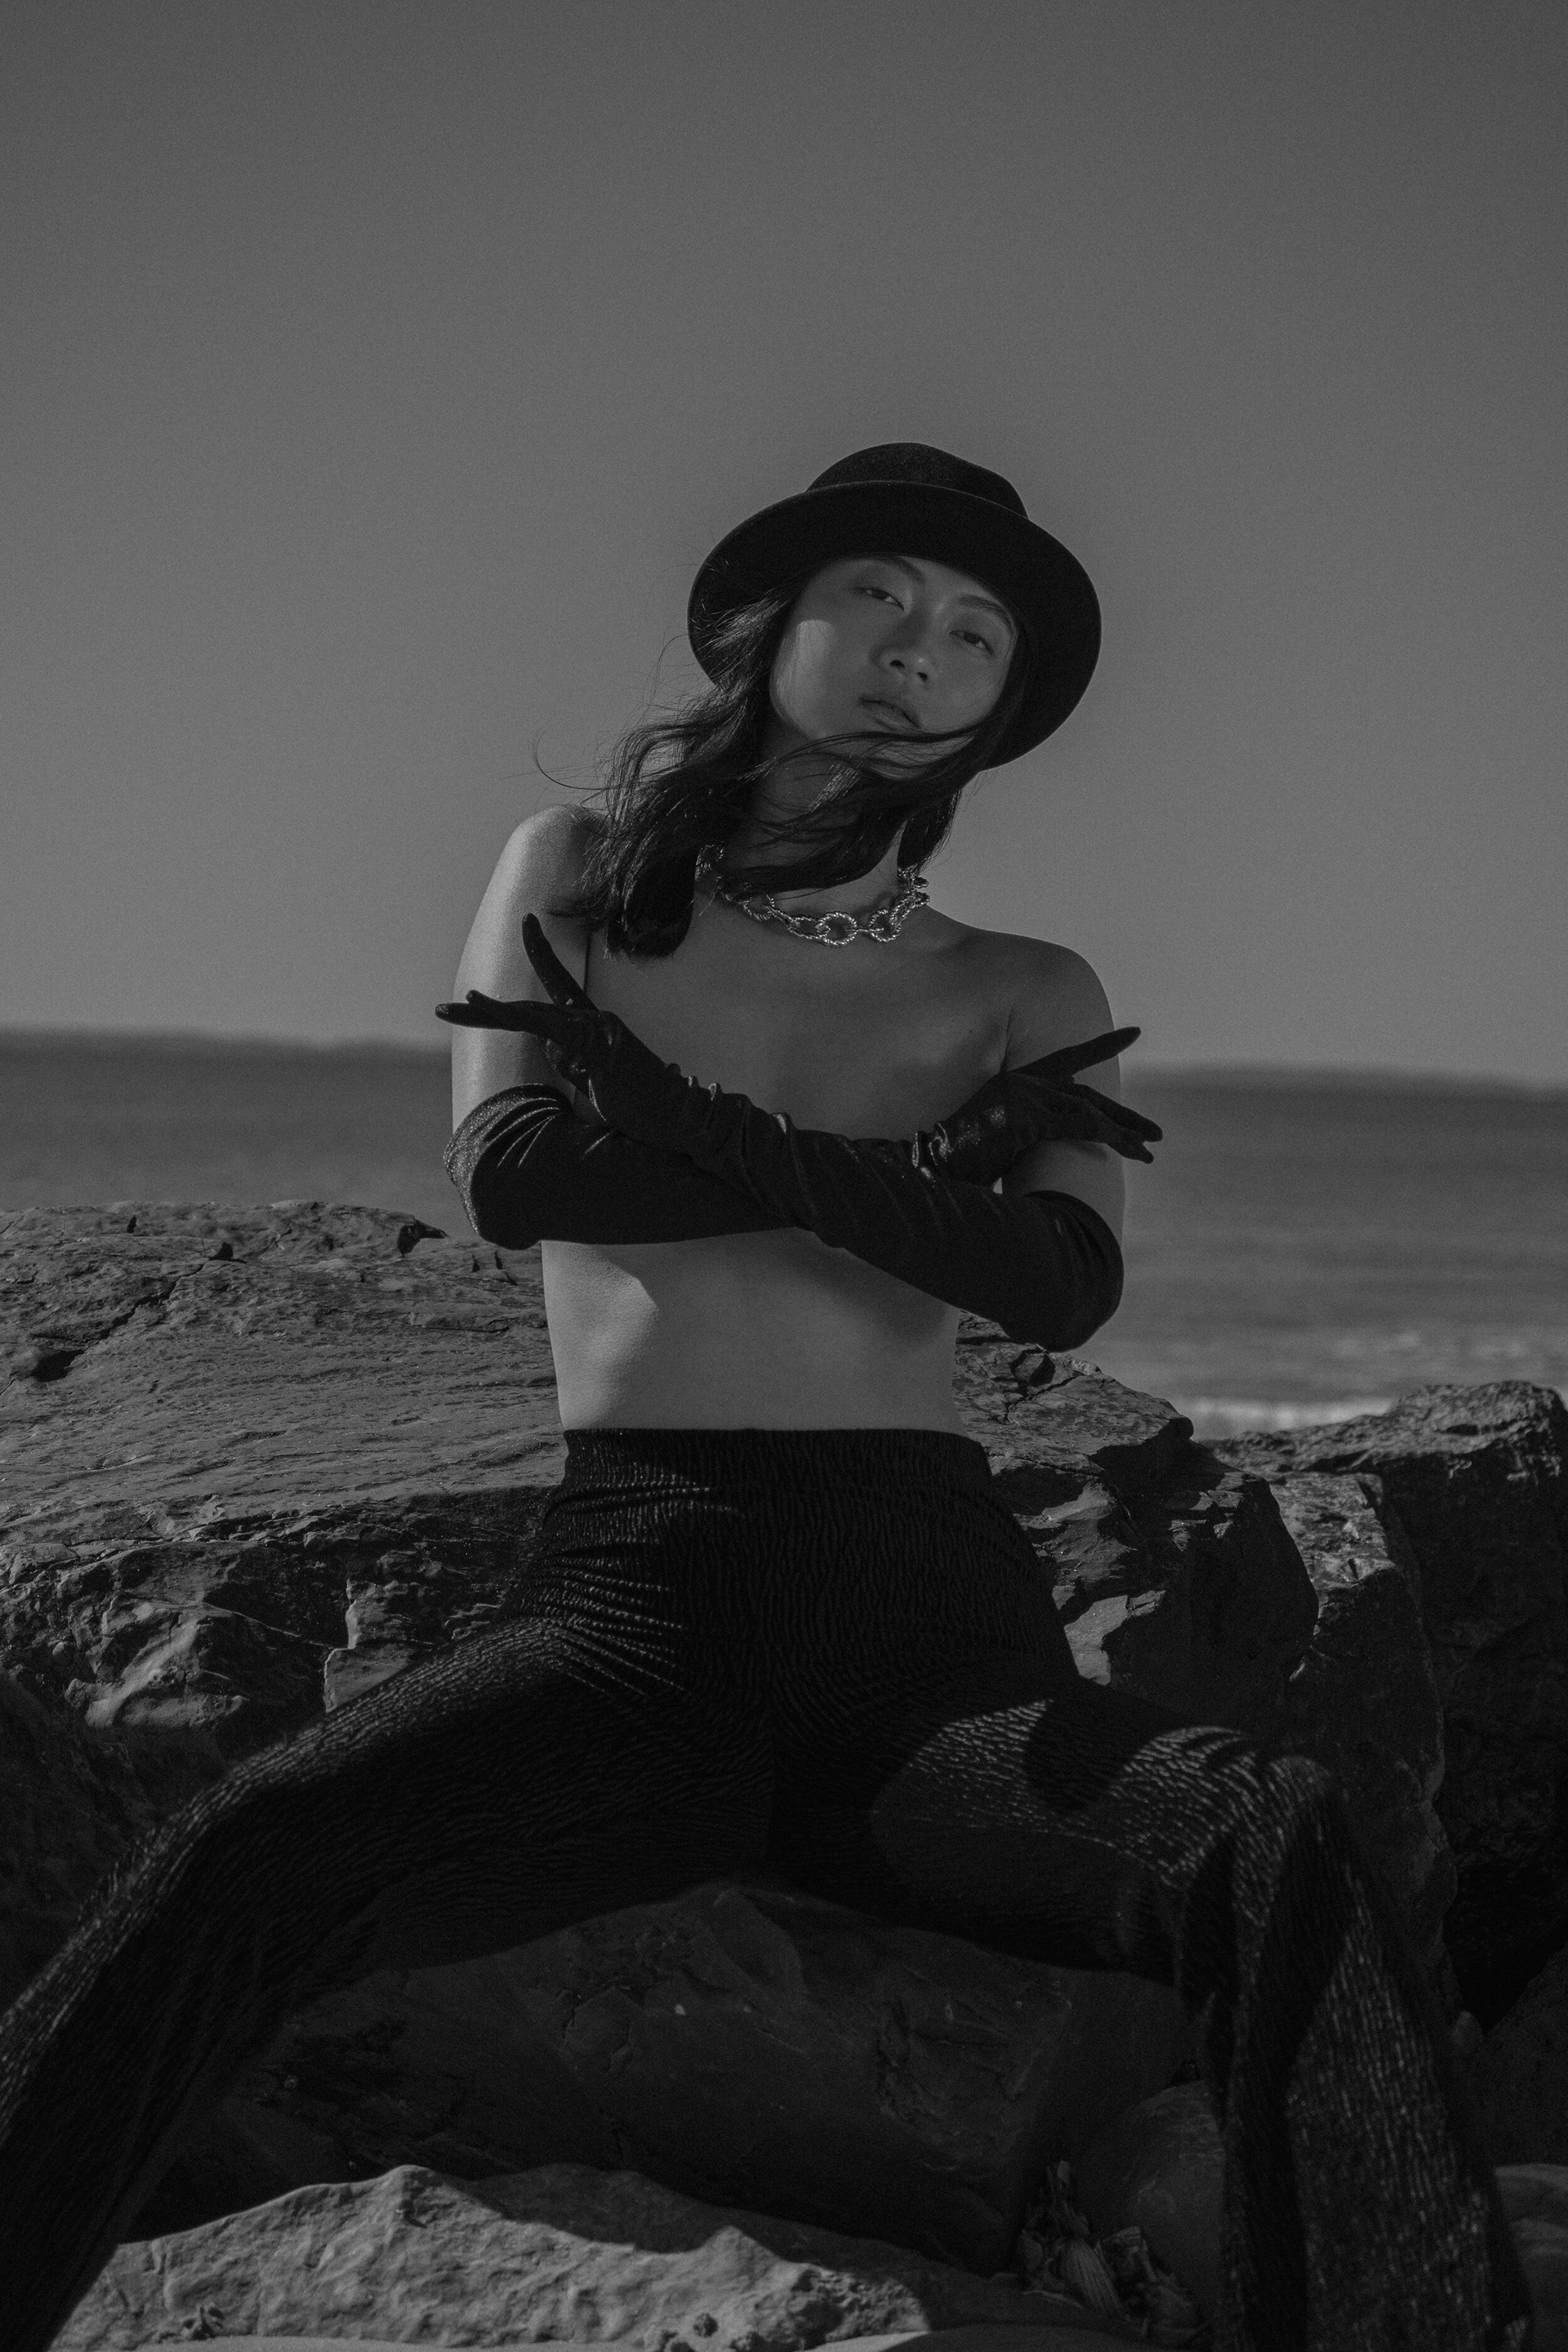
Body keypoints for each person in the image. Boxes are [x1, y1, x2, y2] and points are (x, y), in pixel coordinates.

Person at [0, 446, 1531, 2352]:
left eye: (973, 634)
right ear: (768, 626)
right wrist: (918, 1171)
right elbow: (522, 1175)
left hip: (928, 1657)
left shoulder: (1023, 985)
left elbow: (1058, 1281)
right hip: (633, 1626)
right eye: (878, 596)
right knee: (249, 1854)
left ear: (996, 710)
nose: (917, 651)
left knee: (1266, 1828)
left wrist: (689, 1120)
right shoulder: (574, 875)